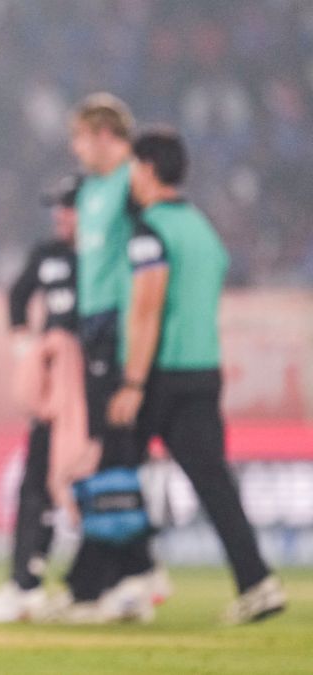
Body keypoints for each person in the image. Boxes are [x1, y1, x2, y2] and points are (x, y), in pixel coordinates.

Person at [113, 128, 285, 624]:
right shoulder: (202, 229)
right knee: (214, 483)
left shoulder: (151, 232)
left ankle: (130, 576)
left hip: (158, 373)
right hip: (203, 368)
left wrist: (131, 383)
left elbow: (147, 310)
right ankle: (256, 580)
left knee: (115, 470)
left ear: (146, 169)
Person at [58, 94, 160, 623]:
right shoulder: (94, 189)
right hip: (96, 324)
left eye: (79, 137)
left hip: (121, 324)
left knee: (115, 450)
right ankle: (124, 576)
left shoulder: (131, 183)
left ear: (101, 134)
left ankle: (122, 574)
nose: (75, 148)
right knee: (111, 452)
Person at [0, 174, 81, 623]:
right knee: (36, 484)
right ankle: (25, 582)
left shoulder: (107, 253)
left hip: (93, 389)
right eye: (58, 206)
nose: (60, 214)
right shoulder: (48, 254)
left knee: (88, 484)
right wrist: (22, 344)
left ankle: (112, 579)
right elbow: (18, 295)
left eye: (69, 206)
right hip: (56, 391)